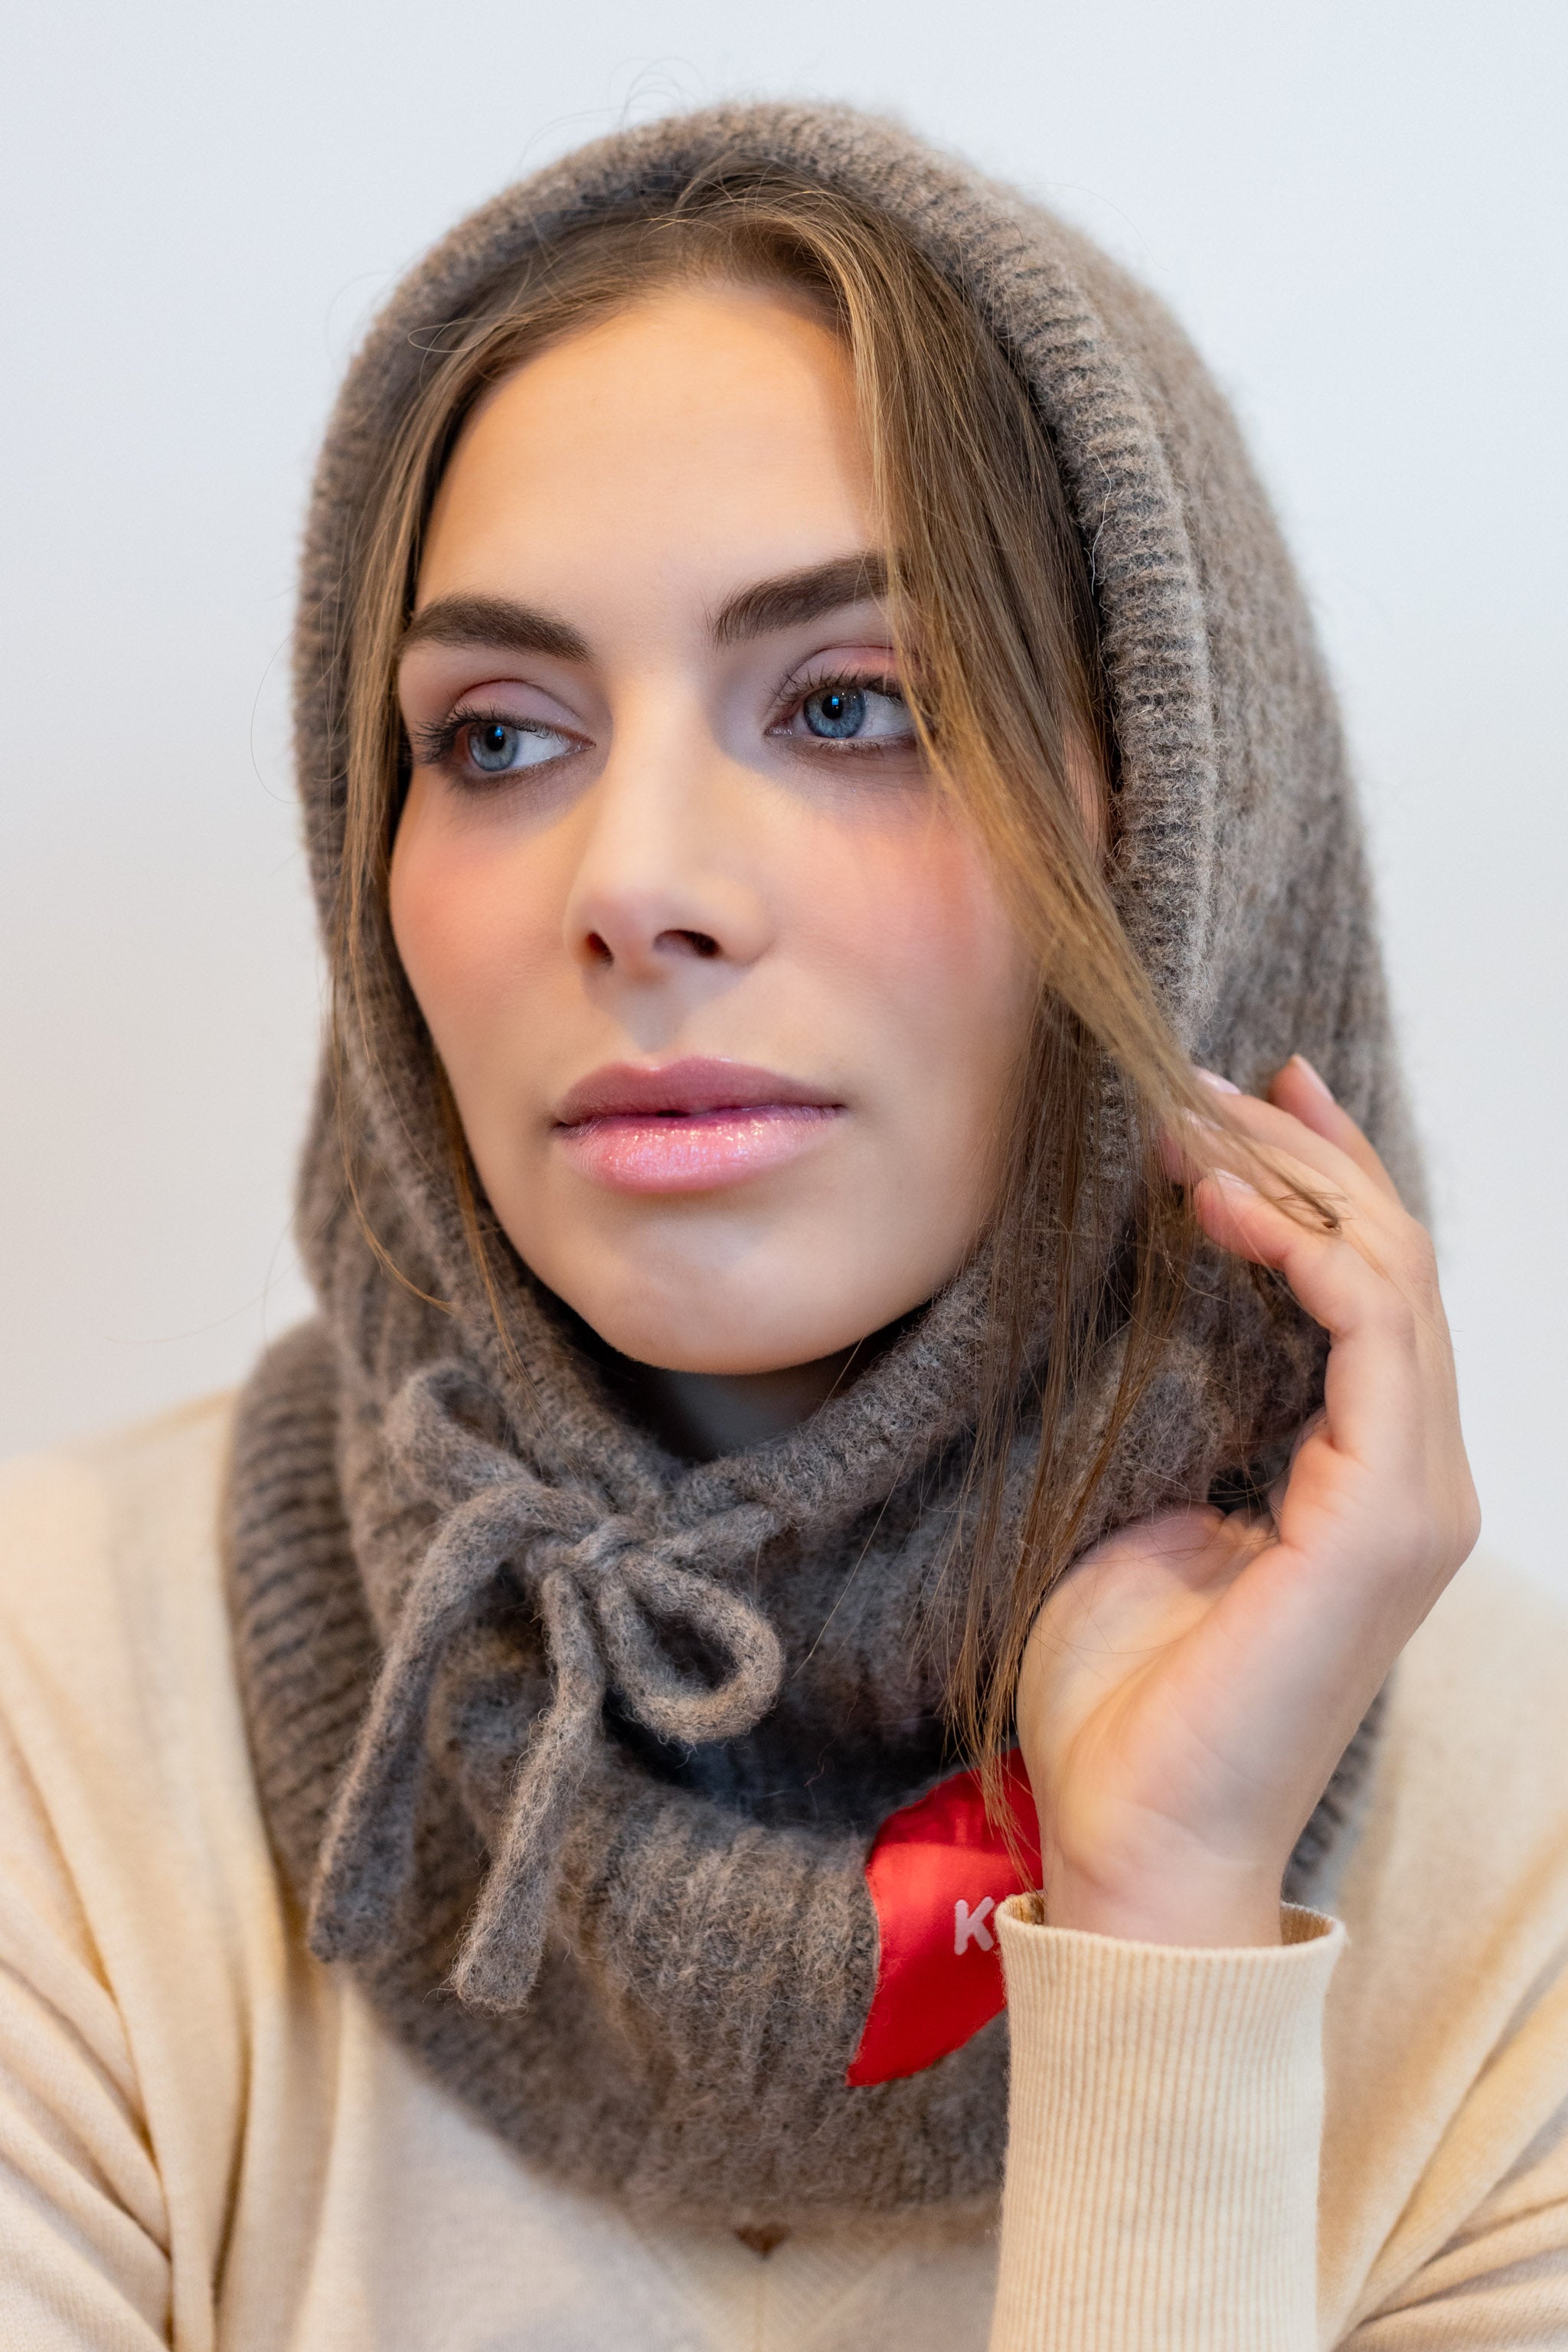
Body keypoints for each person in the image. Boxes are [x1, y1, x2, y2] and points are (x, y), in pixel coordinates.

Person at [2, 101, 1565, 2352]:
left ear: (1188, 831)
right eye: (498, 738)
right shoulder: (55, 1709)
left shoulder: (1529, 1889)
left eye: (854, 706)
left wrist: (1165, 1923)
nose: (637, 885)